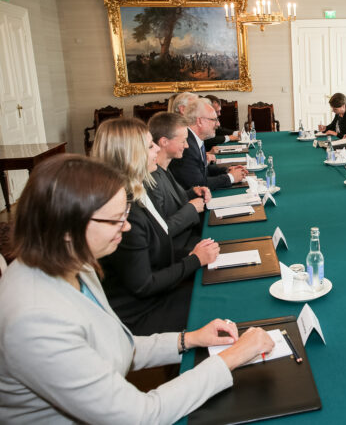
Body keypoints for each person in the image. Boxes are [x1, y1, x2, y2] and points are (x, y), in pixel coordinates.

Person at [0, 154, 274, 424]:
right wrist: (232, 358)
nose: (127, 226)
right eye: (116, 219)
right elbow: (140, 415)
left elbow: (118, 345)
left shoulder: (73, 261)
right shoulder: (35, 320)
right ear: (67, 227)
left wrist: (188, 339)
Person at [92, 118, 219, 335]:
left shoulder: (140, 188)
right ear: (132, 154)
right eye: (150, 146)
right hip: (139, 312)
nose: (156, 150)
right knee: (214, 302)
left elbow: (158, 245)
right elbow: (144, 285)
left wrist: (195, 254)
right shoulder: (126, 210)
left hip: (157, 293)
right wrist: (194, 259)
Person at [148, 112, 211, 255]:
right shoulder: (152, 178)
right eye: (183, 141)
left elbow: (171, 202)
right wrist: (191, 208)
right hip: (177, 250)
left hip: (188, 237)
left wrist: (192, 192)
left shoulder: (164, 167)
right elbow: (160, 230)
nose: (187, 146)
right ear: (164, 142)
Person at [169, 98, 247, 191]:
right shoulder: (186, 146)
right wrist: (231, 178)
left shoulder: (195, 139)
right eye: (214, 119)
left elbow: (203, 170)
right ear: (200, 121)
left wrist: (227, 170)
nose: (218, 124)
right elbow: (197, 184)